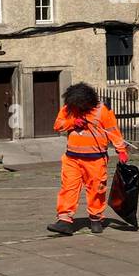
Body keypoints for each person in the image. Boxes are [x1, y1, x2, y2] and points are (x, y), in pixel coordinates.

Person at [46, 82, 128, 235]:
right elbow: (58, 125)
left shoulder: (103, 110)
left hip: (96, 159)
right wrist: (72, 122)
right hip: (72, 158)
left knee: (97, 189)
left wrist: (121, 150)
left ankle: (96, 218)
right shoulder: (69, 108)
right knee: (68, 188)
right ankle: (64, 220)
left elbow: (113, 131)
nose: (78, 109)